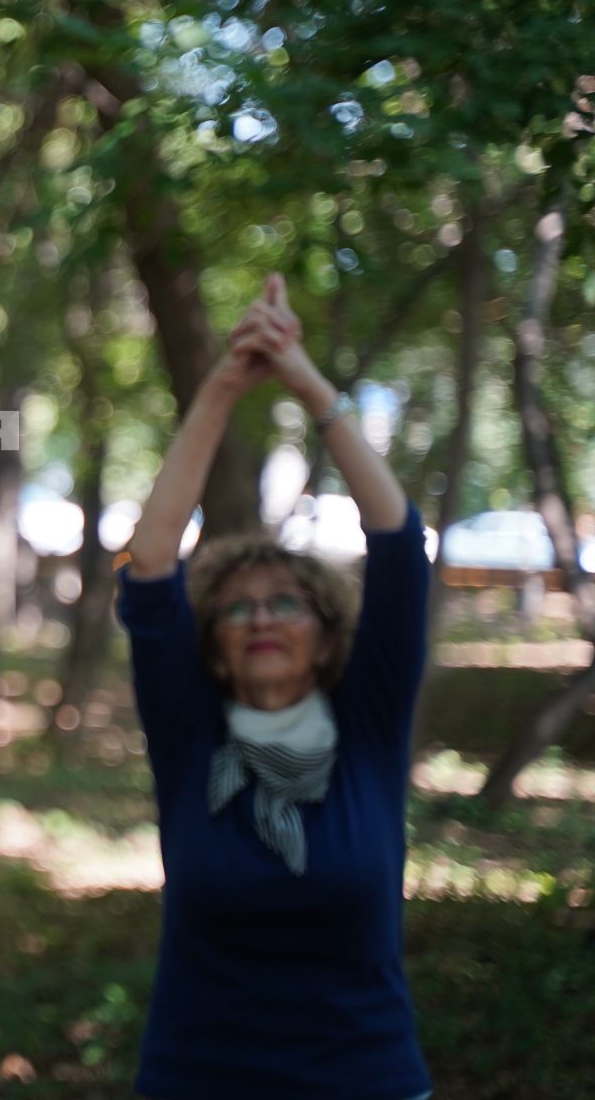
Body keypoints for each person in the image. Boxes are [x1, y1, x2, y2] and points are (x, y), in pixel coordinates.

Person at [118, 274, 433, 1100]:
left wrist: (304, 379)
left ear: (327, 634)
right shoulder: (193, 738)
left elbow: (399, 544)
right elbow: (150, 568)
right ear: (213, 650)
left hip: (367, 1076)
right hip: (198, 1078)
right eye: (238, 609)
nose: (262, 618)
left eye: (286, 603)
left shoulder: (367, 727)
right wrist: (223, 385)